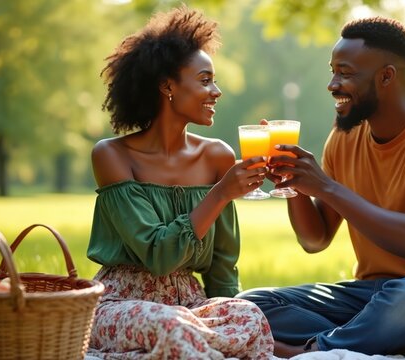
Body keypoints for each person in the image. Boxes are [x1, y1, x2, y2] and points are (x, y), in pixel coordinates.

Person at [237, 17, 405, 357]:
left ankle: (315, 350)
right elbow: (315, 240)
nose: (332, 84)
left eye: (345, 72)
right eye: (332, 71)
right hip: (371, 296)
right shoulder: (345, 137)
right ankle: (370, 337)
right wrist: (293, 183)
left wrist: (326, 187)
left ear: (387, 76)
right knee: (251, 304)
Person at [85, 7, 273, 359]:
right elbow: (159, 256)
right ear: (167, 86)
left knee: (250, 316)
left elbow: (222, 263)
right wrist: (220, 193)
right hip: (122, 302)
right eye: (204, 80)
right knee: (171, 326)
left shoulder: (217, 156)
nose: (216, 91)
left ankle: (185, 350)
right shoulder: (112, 156)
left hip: (190, 303)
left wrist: (229, 309)